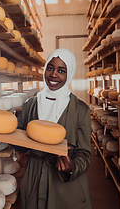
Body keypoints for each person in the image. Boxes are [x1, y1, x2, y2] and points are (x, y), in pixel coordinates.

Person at [14, 48, 93, 209]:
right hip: (34, 175)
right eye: (50, 68)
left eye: (61, 70)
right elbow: (21, 144)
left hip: (65, 185)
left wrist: (71, 166)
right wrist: (7, 134)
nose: (54, 74)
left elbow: (85, 153)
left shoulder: (80, 109)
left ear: (69, 74)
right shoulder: (30, 105)